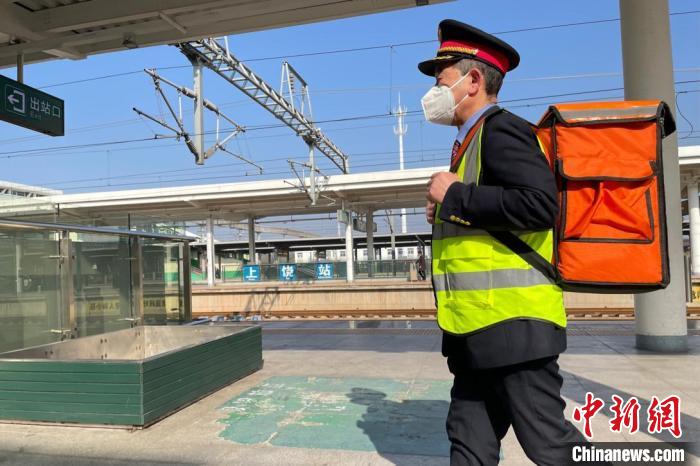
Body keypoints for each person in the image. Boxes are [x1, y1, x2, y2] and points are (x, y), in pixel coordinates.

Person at [420, 19, 590, 465]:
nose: (434, 92)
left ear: (472, 80)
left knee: (550, 446)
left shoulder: (501, 130)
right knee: (468, 442)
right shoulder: (469, 142)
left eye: (442, 80)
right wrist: (449, 206)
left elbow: (539, 206)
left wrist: (455, 194)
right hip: (475, 332)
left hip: (515, 329)